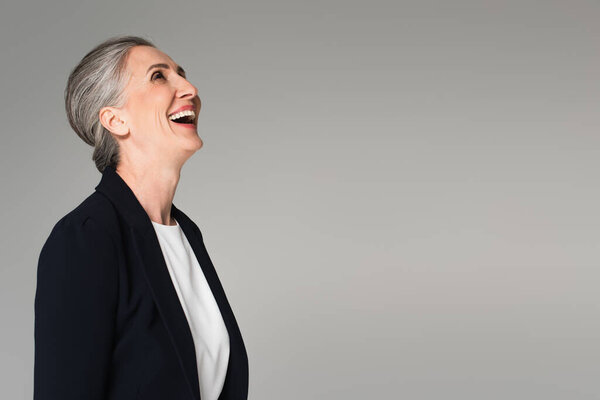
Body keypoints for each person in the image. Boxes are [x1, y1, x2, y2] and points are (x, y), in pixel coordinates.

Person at [33, 35, 249, 400]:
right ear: (115, 120)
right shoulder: (86, 238)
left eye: (182, 74)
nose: (190, 88)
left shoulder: (187, 234)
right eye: (159, 77)